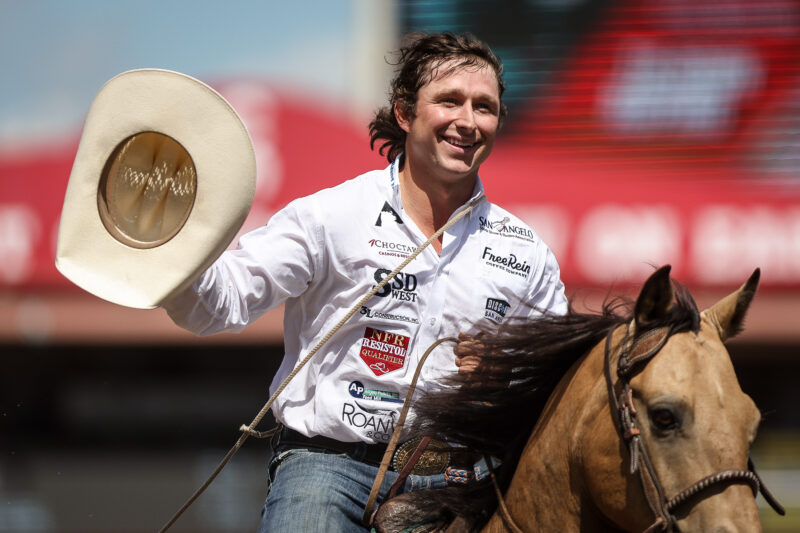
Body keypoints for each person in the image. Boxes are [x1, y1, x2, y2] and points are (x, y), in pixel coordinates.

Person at [164, 31, 567, 532]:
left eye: (484, 107)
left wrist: (505, 379)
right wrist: (166, 243)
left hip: (459, 482)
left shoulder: (526, 251)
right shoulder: (331, 215)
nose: (467, 121)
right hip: (326, 468)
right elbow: (215, 305)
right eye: (449, 101)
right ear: (404, 113)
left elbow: (560, 392)